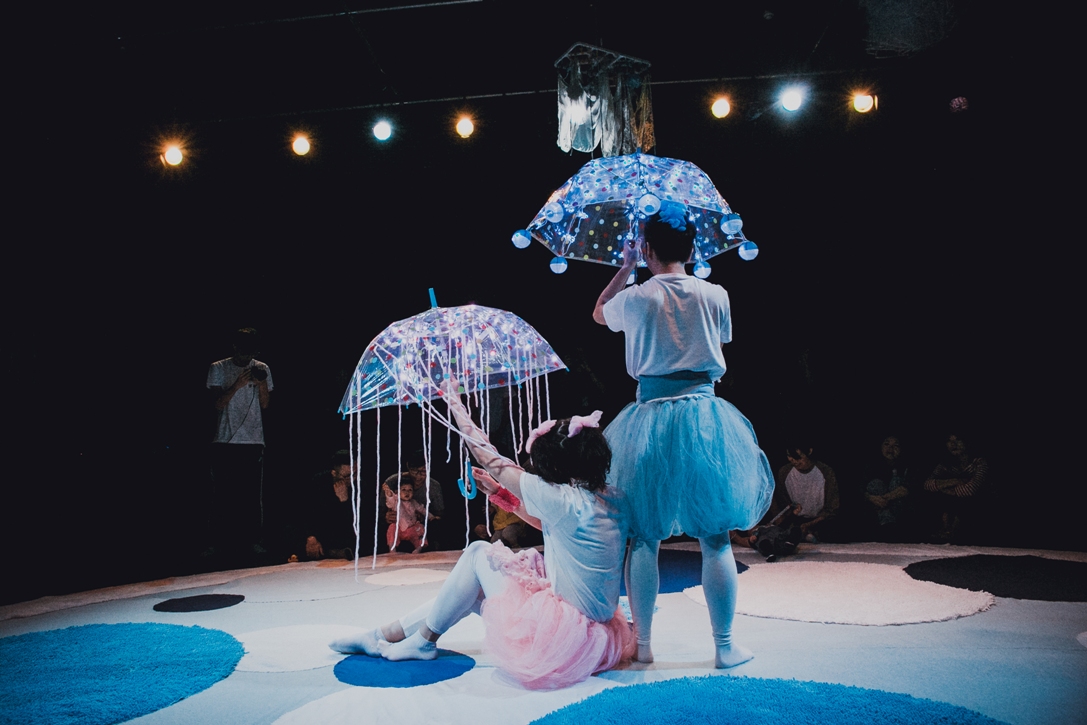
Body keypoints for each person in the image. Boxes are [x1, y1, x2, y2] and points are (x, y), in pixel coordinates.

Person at [330, 385, 633, 690]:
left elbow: (490, 458)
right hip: (598, 637)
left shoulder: (563, 499)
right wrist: (501, 494)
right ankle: (384, 635)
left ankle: (422, 640)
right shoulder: (612, 498)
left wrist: (454, 402)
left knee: (477, 553)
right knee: (467, 588)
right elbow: (553, 527)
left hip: (562, 640)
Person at [593, 202, 774, 669]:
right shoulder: (716, 294)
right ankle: (725, 646)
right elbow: (721, 339)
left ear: (647, 248)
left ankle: (644, 645)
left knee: (644, 537)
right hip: (705, 419)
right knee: (716, 536)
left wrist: (626, 267)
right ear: (692, 248)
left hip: (649, 419)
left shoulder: (637, 297)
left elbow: (598, 314)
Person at [206, 327, 273, 556]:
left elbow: (265, 404)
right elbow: (217, 404)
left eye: (251, 352)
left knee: (252, 496)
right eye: (244, 351)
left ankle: (253, 541)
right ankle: (217, 542)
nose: (247, 357)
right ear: (235, 347)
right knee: (222, 494)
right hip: (225, 440)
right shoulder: (219, 368)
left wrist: (261, 384)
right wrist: (237, 385)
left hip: (253, 439)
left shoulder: (262, 368)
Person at [768, 443, 842, 544]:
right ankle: (803, 535)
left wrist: (810, 524)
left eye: (798, 457)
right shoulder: (784, 472)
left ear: (809, 451)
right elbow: (783, 504)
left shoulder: (825, 471)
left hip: (819, 521)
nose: (794, 460)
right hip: (795, 520)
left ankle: (809, 534)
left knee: (835, 529)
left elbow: (832, 508)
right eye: (789, 456)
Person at [923, 433, 988, 542]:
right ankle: (945, 529)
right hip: (949, 503)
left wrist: (942, 487)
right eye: (949, 441)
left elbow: (970, 490)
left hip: (974, 510)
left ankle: (954, 530)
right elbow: (927, 484)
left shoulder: (979, 463)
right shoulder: (945, 464)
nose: (953, 444)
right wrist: (955, 481)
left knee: (964, 501)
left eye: (958, 440)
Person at [380, 453, 445, 551]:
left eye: (423, 472)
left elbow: (438, 515)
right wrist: (386, 516)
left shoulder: (434, 487)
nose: (418, 476)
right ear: (408, 467)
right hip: (398, 525)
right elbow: (380, 509)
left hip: (416, 526)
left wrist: (427, 518)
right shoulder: (392, 482)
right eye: (414, 471)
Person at [862, 435, 913, 542]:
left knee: (896, 482)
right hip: (875, 509)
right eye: (887, 444)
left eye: (895, 446)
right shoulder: (870, 466)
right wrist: (872, 498)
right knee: (876, 484)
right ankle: (888, 526)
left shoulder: (906, 466)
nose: (890, 449)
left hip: (898, 509)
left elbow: (907, 489)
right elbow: (859, 489)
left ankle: (889, 526)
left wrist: (885, 499)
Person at [382, 478, 428, 553]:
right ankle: (392, 549)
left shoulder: (414, 502)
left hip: (412, 528)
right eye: (403, 490)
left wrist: (431, 517)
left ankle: (419, 548)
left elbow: (423, 510)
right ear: (397, 492)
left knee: (421, 528)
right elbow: (390, 501)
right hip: (400, 529)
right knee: (392, 528)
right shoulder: (396, 502)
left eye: (410, 490)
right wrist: (389, 493)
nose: (407, 492)